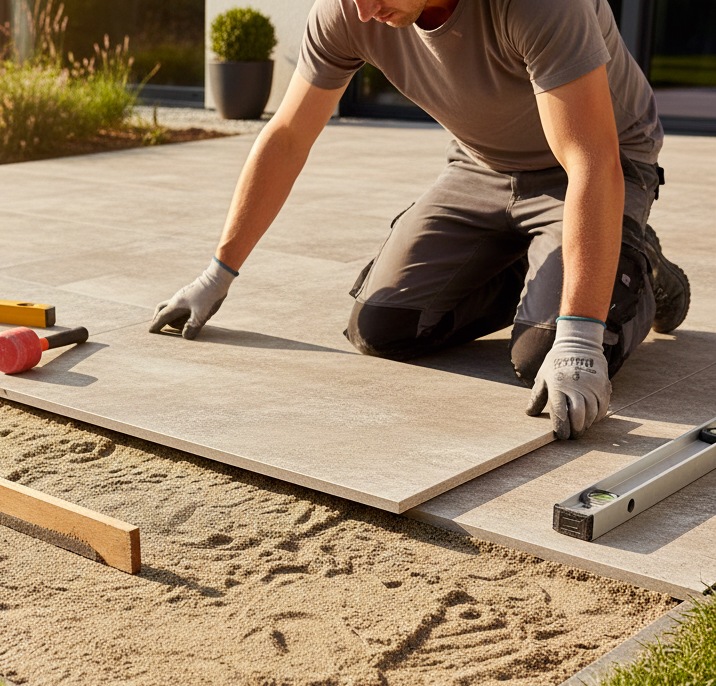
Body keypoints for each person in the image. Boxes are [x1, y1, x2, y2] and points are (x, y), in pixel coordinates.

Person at [149, 0, 691, 440]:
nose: (361, 10)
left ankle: (641, 267)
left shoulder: (538, 5)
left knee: (542, 356)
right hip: (479, 167)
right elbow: (288, 137)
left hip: (598, 165)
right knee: (383, 327)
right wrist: (217, 274)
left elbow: (590, 160)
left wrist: (579, 337)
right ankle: (549, 262)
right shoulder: (348, 9)